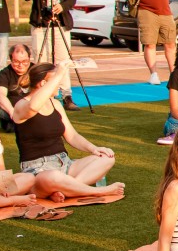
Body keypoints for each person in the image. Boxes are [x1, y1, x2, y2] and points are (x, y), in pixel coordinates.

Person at [11, 61, 124, 201]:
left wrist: (94, 148)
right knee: (53, 177)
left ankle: (67, 189)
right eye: (56, 80)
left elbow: (72, 135)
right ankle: (98, 191)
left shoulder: (55, 104)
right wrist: (58, 73)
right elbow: (33, 106)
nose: (59, 84)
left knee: (107, 158)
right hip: (38, 170)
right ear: (43, 84)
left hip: (65, 163)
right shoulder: (21, 105)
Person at [22, 0, 78, 103]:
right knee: (42, 60)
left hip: (60, 23)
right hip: (41, 23)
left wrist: (63, 6)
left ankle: (66, 94)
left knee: (63, 60)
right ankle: (43, 93)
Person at [0, 43, 33, 129]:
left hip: (32, 110)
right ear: (11, 60)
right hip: (11, 112)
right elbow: (0, 95)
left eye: (24, 61)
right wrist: (12, 112)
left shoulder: (35, 70)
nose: (20, 65)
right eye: (16, 61)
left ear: (29, 58)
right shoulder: (4, 73)